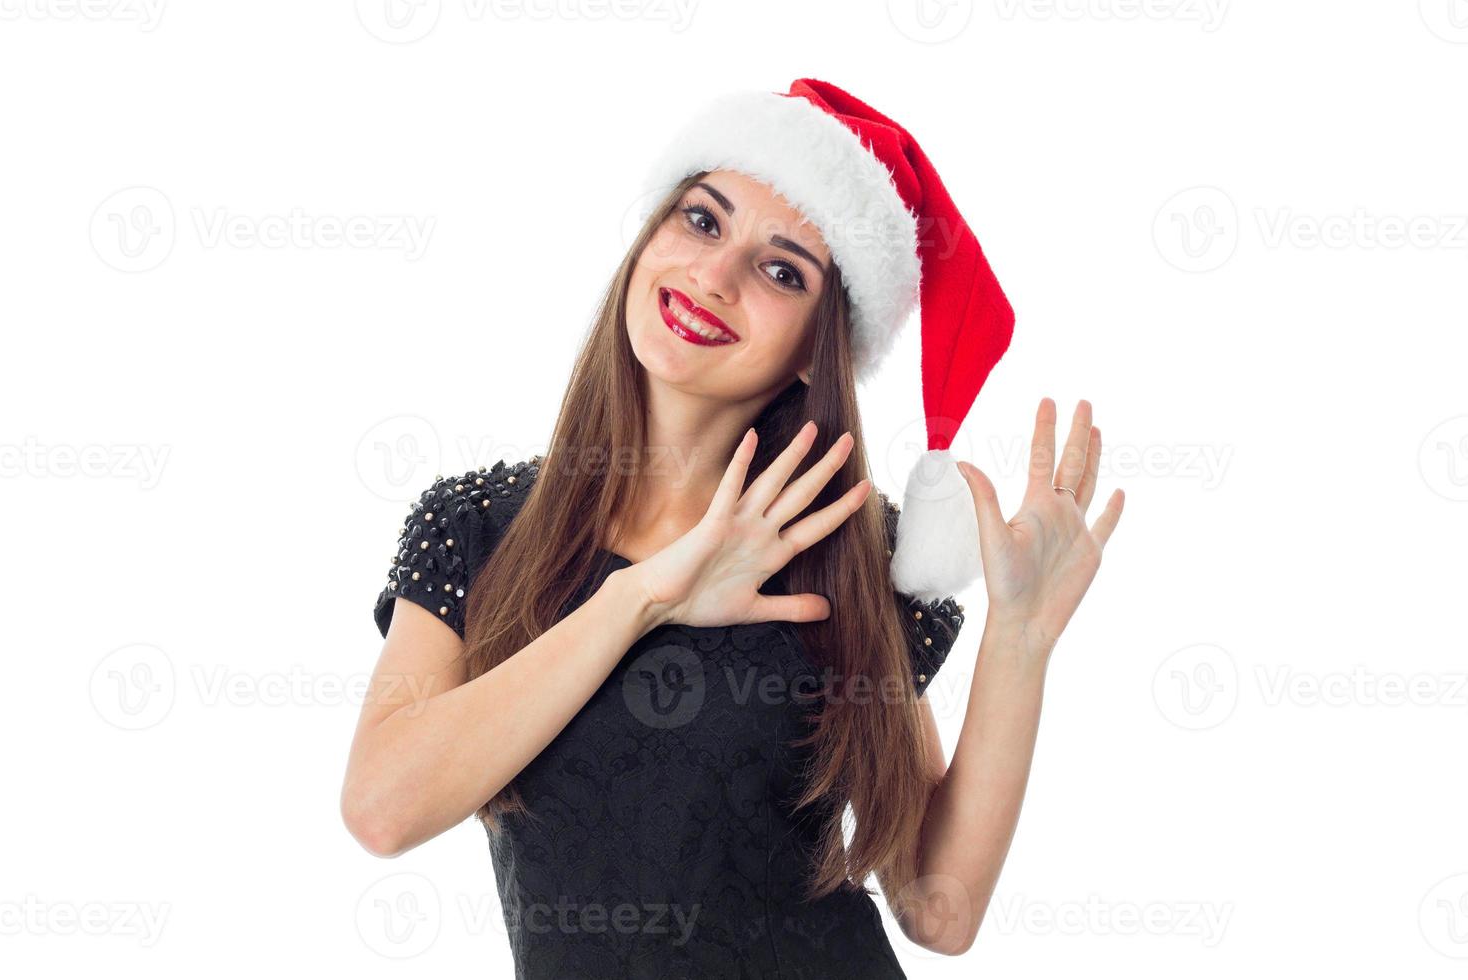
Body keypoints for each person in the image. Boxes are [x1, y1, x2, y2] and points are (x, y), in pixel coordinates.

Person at [341, 77, 1124, 979]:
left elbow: (936, 910)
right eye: (702, 221)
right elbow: (382, 808)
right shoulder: (477, 528)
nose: (713, 277)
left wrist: (1020, 641)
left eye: (781, 270)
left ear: (816, 350)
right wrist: (646, 596)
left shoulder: (844, 550)